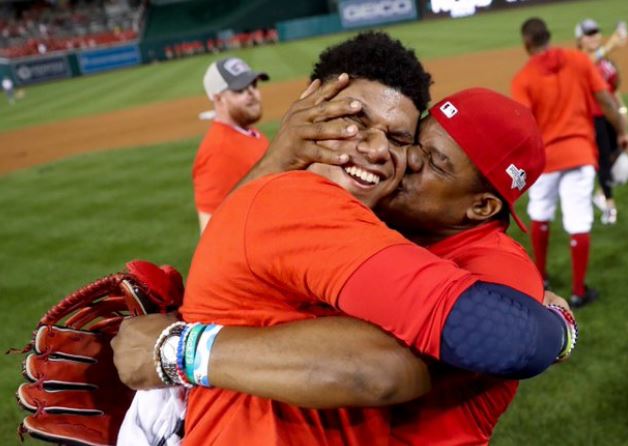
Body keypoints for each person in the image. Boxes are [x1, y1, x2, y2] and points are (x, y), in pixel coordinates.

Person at [114, 32, 575, 445]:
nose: (384, 152)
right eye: (353, 119)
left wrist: (180, 350)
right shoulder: (302, 203)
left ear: (480, 207)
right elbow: (384, 368)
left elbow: (388, 368)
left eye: (401, 140)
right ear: (312, 106)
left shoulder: (475, 260)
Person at [511, 17, 628, 307]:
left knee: (540, 213)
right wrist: (623, 132)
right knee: (578, 219)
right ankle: (579, 291)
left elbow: (523, 126)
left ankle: (540, 279)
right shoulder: (579, 61)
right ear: (549, 37)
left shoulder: (523, 78)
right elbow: (605, 101)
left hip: (545, 159)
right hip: (579, 153)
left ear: (527, 43)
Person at [192, 57, 269, 232]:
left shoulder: (250, 133)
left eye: (254, 85)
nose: (252, 93)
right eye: (240, 89)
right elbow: (211, 232)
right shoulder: (217, 151)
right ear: (218, 99)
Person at [575, 18, 628, 224]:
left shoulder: (607, 61)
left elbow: (613, 89)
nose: (593, 37)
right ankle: (609, 206)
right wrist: (611, 45)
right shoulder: (579, 59)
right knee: (603, 158)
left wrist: (623, 111)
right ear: (579, 40)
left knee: (616, 153)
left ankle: (600, 193)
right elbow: (585, 65)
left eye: (596, 33)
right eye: (588, 34)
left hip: (611, 115)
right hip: (593, 117)